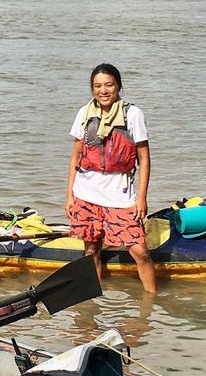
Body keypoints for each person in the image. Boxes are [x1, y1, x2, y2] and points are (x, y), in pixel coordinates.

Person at [65, 62, 157, 292]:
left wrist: (142, 198)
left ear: (118, 87)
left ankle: (151, 302)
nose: (103, 91)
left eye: (109, 85)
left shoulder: (132, 114)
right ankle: (93, 301)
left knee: (140, 252)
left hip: (120, 195)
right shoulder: (84, 114)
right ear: (92, 89)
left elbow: (144, 159)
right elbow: (75, 157)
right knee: (91, 250)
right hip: (86, 194)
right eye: (97, 86)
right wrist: (69, 196)